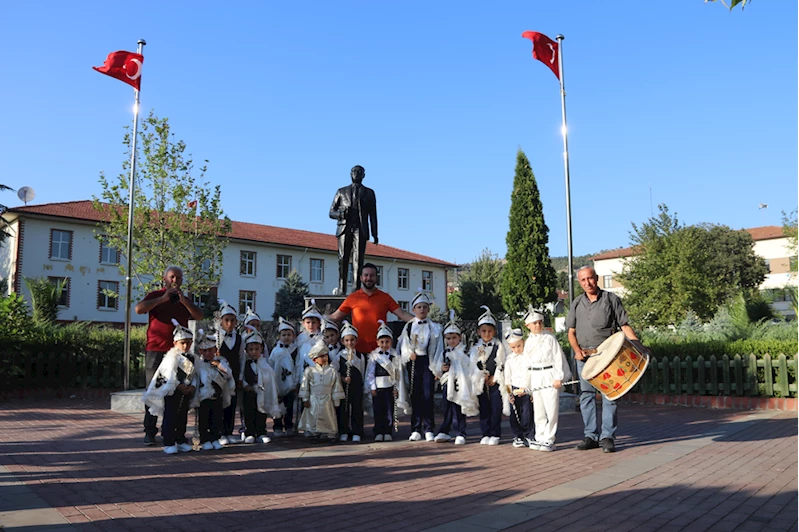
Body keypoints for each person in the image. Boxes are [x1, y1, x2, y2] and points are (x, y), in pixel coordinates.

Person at [566, 266, 649, 453]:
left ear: (596, 278)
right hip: (584, 359)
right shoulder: (576, 303)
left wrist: (640, 346)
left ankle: (607, 437)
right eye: (583, 280)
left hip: (607, 357)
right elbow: (571, 333)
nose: (587, 283)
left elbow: (624, 326)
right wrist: (577, 351)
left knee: (609, 397)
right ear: (579, 282)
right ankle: (590, 436)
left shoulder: (611, 299)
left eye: (590, 278)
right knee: (586, 396)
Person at [135, 266, 203, 446]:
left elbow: (199, 315)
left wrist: (184, 301)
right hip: (156, 350)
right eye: (172, 277)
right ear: (165, 279)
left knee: (177, 392)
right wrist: (162, 299)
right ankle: (150, 431)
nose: (175, 280)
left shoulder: (184, 299)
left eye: (178, 278)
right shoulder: (154, 295)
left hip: (178, 354)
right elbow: (139, 309)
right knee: (153, 389)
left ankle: (173, 433)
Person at [328, 263, 415, 353]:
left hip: (380, 350)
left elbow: (402, 313)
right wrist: (318, 319)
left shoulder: (385, 297)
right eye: (366, 275)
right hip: (357, 350)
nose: (369, 278)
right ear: (361, 278)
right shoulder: (353, 298)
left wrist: (421, 322)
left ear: (376, 278)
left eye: (372, 275)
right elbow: (335, 317)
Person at [142, 319, 198, 455]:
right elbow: (168, 374)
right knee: (171, 417)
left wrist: (192, 386)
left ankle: (180, 440)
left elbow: (196, 374)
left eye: (188, 343)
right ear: (175, 343)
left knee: (182, 417)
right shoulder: (171, 357)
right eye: (182, 343)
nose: (185, 346)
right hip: (173, 392)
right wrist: (179, 385)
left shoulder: (192, 357)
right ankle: (169, 442)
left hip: (186, 392)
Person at [523, 308, 572, 452]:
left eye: (539, 322)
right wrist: (526, 384)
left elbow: (558, 358)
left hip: (549, 374)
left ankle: (549, 438)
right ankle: (540, 436)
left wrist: (559, 377)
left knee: (551, 408)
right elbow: (526, 364)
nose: (537, 325)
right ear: (528, 326)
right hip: (536, 375)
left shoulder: (550, 338)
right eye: (534, 323)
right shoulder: (528, 342)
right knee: (538, 409)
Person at [398, 291, 443, 442]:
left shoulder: (435, 328)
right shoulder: (409, 327)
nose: (422, 310)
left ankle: (429, 428)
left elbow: (438, 348)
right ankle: (416, 428)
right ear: (413, 309)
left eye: (424, 307)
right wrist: (408, 354)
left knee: (428, 395)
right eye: (419, 307)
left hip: (428, 363)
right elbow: (403, 345)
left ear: (428, 309)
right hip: (414, 363)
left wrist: (437, 368)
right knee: (415, 395)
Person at [432, 311, 481, 445]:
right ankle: (445, 430)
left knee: (459, 409)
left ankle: (461, 432)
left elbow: (469, 366)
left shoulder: (464, 352)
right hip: (448, 384)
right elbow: (437, 368)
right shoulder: (444, 352)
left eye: (454, 338)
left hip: (460, 385)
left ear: (460, 337)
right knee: (446, 408)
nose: (451, 341)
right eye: (448, 338)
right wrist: (442, 369)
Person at [328, 165, 379, 295]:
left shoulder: (369, 193)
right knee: (343, 258)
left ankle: (356, 289)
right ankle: (341, 288)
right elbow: (331, 212)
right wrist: (340, 214)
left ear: (364, 175)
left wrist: (375, 233)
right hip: (344, 227)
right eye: (354, 172)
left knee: (358, 259)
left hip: (360, 228)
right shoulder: (341, 191)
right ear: (350, 174)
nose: (356, 174)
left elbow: (373, 215)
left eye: (359, 172)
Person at [470, 306, 509, 446]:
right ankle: (485, 432)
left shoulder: (499, 346)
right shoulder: (475, 347)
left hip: (494, 383)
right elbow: (472, 364)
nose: (487, 334)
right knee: (484, 408)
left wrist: (495, 377)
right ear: (479, 332)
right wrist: (480, 376)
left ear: (494, 331)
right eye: (484, 331)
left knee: (495, 408)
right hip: (481, 383)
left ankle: (495, 433)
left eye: (490, 331)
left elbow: (501, 363)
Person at [191, 329, 233, 451]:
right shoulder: (198, 365)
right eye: (205, 351)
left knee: (217, 419)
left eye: (210, 350)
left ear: (215, 350)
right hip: (203, 397)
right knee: (203, 420)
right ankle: (205, 439)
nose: (208, 353)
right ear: (200, 351)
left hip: (217, 396)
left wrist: (219, 365)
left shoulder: (221, 362)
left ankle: (215, 438)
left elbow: (229, 374)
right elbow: (195, 379)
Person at [240, 328, 282, 444]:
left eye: (256, 349)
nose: (254, 352)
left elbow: (270, 377)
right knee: (249, 413)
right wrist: (245, 385)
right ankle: (250, 433)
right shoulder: (245, 364)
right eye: (251, 349)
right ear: (246, 350)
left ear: (262, 349)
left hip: (262, 393)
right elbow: (241, 377)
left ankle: (261, 432)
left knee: (261, 413)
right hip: (249, 394)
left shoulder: (265, 364)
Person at [298, 341, 346, 444]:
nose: (324, 358)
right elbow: (305, 385)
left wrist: (336, 399)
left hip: (327, 398)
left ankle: (331, 434)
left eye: (325, 356)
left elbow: (336, 385)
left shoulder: (332, 371)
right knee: (313, 415)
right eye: (321, 356)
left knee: (329, 416)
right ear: (314, 359)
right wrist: (305, 399)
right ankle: (314, 433)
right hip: (313, 398)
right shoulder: (309, 371)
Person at [366, 320, 405, 442]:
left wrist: (397, 388)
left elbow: (397, 374)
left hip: (390, 386)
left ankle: (388, 431)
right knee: (378, 410)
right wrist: (372, 387)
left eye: (387, 342)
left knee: (389, 410)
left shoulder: (395, 356)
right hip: (378, 387)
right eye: (382, 342)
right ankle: (378, 431)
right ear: (377, 342)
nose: (384, 344)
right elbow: (370, 373)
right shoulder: (374, 356)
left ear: (391, 342)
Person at [216, 301, 244, 444]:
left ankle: (229, 431)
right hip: (220, 376)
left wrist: (240, 376)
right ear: (221, 321)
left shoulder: (239, 338)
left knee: (232, 404)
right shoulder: (216, 337)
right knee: (220, 403)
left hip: (233, 375)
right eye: (226, 320)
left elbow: (241, 358)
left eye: (232, 320)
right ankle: (219, 432)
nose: (229, 323)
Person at [333, 321, 366, 442]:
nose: (349, 343)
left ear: (356, 341)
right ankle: (344, 430)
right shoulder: (339, 356)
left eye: (352, 340)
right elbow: (334, 370)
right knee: (344, 409)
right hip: (344, 386)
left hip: (356, 385)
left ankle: (357, 431)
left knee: (357, 408)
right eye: (346, 340)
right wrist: (342, 378)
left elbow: (362, 371)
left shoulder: (361, 356)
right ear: (342, 341)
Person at [268, 317, 299, 437]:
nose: (286, 337)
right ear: (279, 336)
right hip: (278, 383)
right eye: (284, 334)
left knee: (289, 406)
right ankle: (277, 426)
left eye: (289, 334)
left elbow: (297, 365)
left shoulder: (296, 350)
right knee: (278, 406)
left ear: (293, 336)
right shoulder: (276, 351)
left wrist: (295, 381)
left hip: (290, 384)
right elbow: (271, 365)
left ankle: (289, 425)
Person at [504, 328, 533, 449]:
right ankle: (517, 436)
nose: (517, 350)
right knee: (515, 414)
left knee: (527, 413)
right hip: (514, 388)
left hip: (526, 388)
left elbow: (531, 373)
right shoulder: (509, 360)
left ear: (524, 342)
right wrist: (509, 393)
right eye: (513, 347)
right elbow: (507, 378)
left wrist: (529, 389)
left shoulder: (529, 357)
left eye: (519, 346)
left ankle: (529, 435)